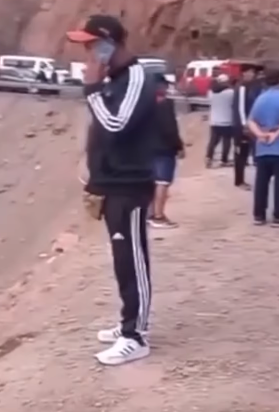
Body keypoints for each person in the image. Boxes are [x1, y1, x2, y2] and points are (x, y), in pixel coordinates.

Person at [66, 14, 156, 365]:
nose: (87, 51)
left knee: (133, 260)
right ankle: (127, 323)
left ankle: (137, 335)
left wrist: (91, 89)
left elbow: (116, 124)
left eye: (91, 43)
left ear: (109, 42)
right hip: (113, 184)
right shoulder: (114, 80)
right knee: (122, 261)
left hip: (131, 186)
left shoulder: (135, 78)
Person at [247, 68, 279, 227]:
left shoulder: (261, 98)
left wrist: (260, 135)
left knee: (261, 182)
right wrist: (278, 134)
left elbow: (251, 121)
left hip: (263, 148)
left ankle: (259, 215)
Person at [149, 74, 185, 229]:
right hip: (164, 148)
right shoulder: (165, 104)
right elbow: (170, 129)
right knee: (163, 182)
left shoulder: (142, 104)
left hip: (146, 148)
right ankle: (158, 215)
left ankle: (150, 213)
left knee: (151, 182)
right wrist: (179, 146)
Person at [233, 64, 262, 190]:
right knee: (241, 154)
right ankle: (239, 181)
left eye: (253, 72)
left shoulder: (252, 86)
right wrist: (244, 124)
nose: (252, 74)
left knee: (245, 153)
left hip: (249, 124)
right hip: (242, 126)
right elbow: (240, 107)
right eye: (249, 72)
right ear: (243, 73)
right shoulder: (242, 87)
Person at [206, 74, 234, 168]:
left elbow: (209, 102)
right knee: (226, 141)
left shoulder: (210, 92)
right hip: (227, 120)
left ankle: (208, 158)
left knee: (213, 141)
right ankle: (224, 160)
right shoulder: (230, 92)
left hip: (214, 120)